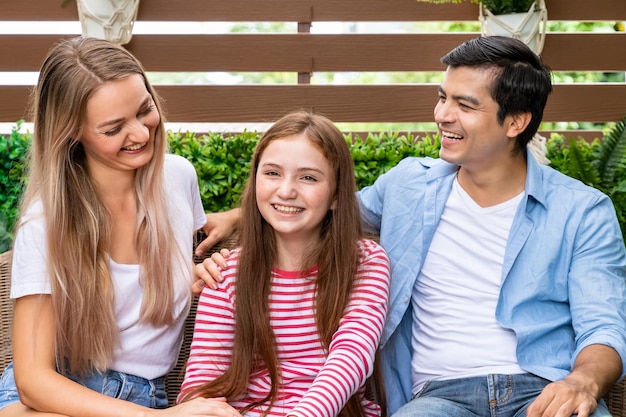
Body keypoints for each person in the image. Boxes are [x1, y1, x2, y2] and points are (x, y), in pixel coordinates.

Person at [195, 36, 626, 417]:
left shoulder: (582, 211)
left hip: (542, 390)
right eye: (443, 97)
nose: (443, 115)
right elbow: (327, 211)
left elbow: (604, 326)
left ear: (516, 122)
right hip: (438, 398)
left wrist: (582, 382)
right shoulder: (407, 185)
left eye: (465, 105)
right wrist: (238, 219)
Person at [0, 37, 241, 417]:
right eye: (114, 129)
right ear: (71, 133)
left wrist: (225, 234)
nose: (142, 134)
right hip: (58, 397)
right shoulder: (46, 223)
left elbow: (144, 282)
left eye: (144, 110)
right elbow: (32, 381)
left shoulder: (179, 178)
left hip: (142, 397)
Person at [178, 111, 391, 417]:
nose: (287, 190)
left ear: (336, 195)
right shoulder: (226, 272)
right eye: (273, 173)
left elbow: (351, 356)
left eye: (308, 177)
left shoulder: (365, 263)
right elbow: (201, 381)